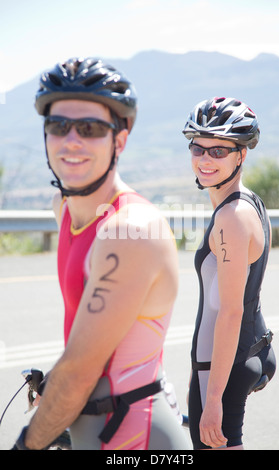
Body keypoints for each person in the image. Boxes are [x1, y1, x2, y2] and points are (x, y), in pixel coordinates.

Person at [13, 57, 190, 450]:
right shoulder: (65, 209)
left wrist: (28, 444)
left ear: (119, 141)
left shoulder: (129, 230)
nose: (71, 140)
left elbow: (79, 372)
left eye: (90, 128)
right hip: (89, 428)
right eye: (58, 126)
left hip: (135, 438)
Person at [182, 97, 276, 450]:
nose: (205, 160)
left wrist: (213, 400)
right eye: (198, 148)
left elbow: (230, 310)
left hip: (223, 365)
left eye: (219, 151)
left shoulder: (231, 217)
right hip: (252, 345)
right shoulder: (249, 200)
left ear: (241, 154)